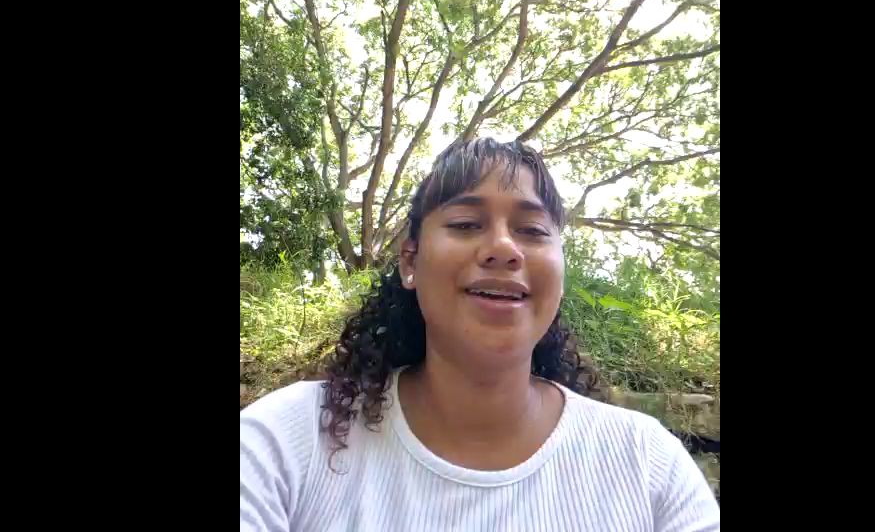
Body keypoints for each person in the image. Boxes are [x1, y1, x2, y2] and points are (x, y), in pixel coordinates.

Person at [240, 138, 720, 531]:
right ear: (410, 262)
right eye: (467, 224)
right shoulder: (285, 442)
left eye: (532, 230)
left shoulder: (645, 461)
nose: (504, 248)